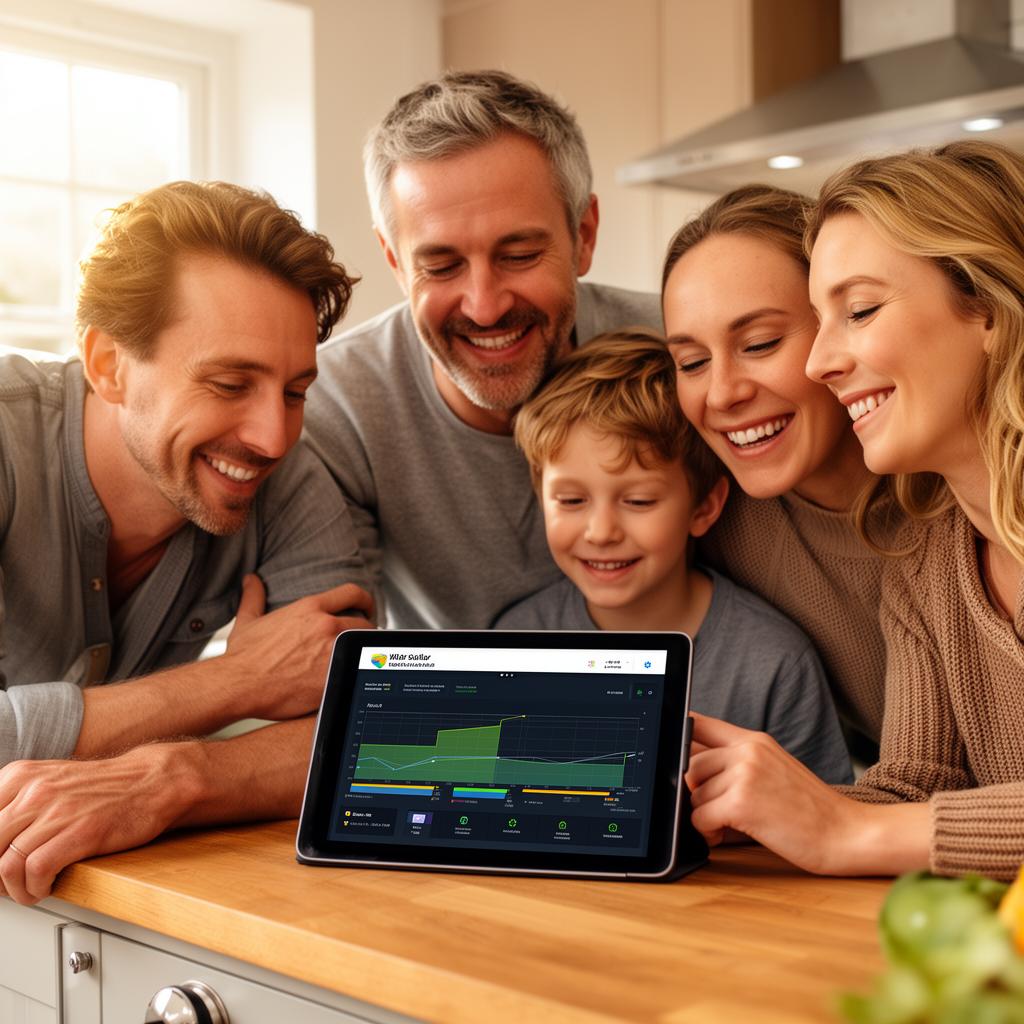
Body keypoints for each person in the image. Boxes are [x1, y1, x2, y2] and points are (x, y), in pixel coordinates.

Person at [0, 180, 373, 904]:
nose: (273, 436)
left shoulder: (285, 477)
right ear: (108, 365)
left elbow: (366, 725)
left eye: (295, 391)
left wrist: (181, 777)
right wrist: (235, 684)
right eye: (231, 383)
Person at [686, 140, 1024, 881]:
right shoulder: (928, 562)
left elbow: (872, 832)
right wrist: (726, 808)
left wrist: (844, 833)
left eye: (861, 310)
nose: (819, 362)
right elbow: (908, 795)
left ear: (989, 305)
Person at [303, 70, 661, 629]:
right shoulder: (335, 406)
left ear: (584, 235)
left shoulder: (681, 347)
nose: (485, 306)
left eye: (518, 254)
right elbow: (333, 663)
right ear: (395, 262)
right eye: (441, 266)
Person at [495, 331, 852, 784]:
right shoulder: (514, 644)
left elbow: (819, 818)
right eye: (570, 501)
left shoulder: (775, 662)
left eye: (639, 502)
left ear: (704, 507)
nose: (601, 532)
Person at [661, 185, 897, 763]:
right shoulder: (714, 517)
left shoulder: (967, 498)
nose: (723, 393)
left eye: (760, 343)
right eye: (691, 362)